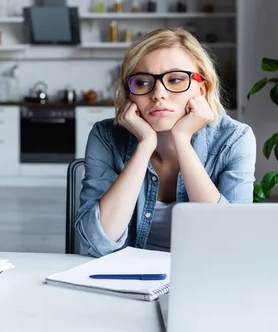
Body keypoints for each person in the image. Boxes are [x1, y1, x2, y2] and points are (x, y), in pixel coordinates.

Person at [75, 28, 256, 257]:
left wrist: (182, 141)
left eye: (176, 80)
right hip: (126, 280)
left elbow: (230, 242)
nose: (158, 93)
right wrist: (145, 145)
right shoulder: (106, 136)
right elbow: (97, 242)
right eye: (142, 82)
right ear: (130, 94)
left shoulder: (235, 139)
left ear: (201, 89)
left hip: (204, 277)